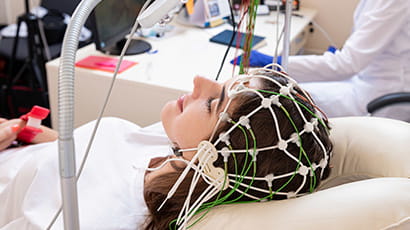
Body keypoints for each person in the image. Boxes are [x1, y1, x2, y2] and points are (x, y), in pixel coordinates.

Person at [0, 66, 333, 230]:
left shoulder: (94, 218)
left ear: (213, 159)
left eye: (211, 104)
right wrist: (42, 137)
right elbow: (90, 160)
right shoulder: (175, 151)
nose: (199, 81)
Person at [233, 0, 410, 119]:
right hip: (366, 78)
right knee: (285, 92)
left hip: (379, 94)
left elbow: (347, 64)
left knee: (284, 100)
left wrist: (277, 64)